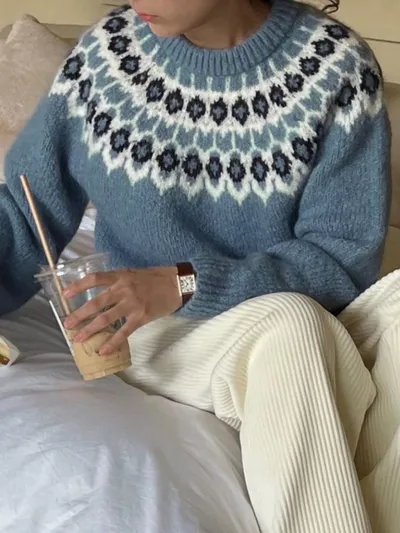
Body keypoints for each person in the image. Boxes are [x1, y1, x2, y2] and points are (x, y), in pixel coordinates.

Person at [0, 1, 397, 532]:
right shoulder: (107, 55)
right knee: (291, 325)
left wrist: (188, 281)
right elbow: (25, 212)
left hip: (294, 313)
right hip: (151, 329)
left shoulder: (337, 66)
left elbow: (341, 258)